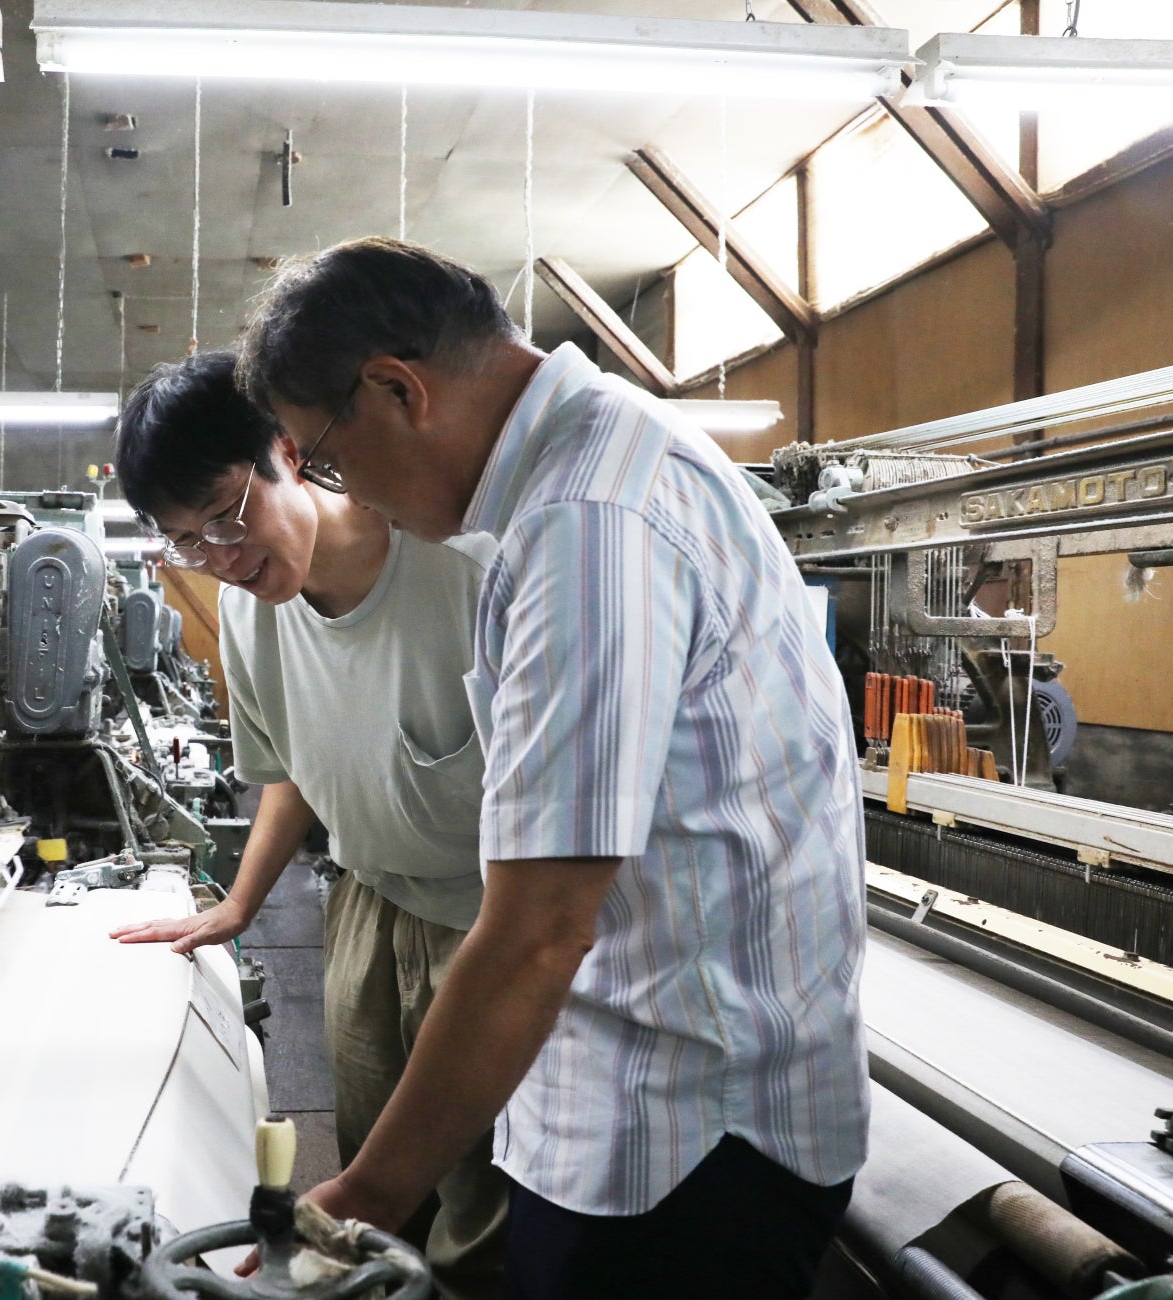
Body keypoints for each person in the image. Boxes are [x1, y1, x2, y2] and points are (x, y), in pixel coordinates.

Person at [234, 238, 869, 1299]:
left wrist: (366, 1196)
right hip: (643, 1099)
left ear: (398, 391)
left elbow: (540, 932)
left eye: (328, 460)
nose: (347, 492)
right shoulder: (595, 467)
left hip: (678, 1143)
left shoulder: (589, 525)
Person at [107, 350, 508, 1300]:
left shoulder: (461, 566)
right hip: (367, 907)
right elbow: (291, 768)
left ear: (287, 452)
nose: (220, 557)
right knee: (374, 1179)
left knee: (484, 1195)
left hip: (489, 919)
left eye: (225, 515)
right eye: (186, 542)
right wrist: (238, 905)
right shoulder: (250, 615)